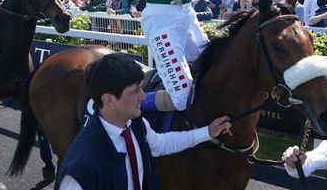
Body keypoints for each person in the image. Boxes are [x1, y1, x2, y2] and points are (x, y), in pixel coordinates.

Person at [56, 53, 232, 190]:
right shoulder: (80, 169)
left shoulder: (136, 125)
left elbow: (161, 144)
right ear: (108, 100)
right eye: (135, 91)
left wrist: (207, 132)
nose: (143, 97)